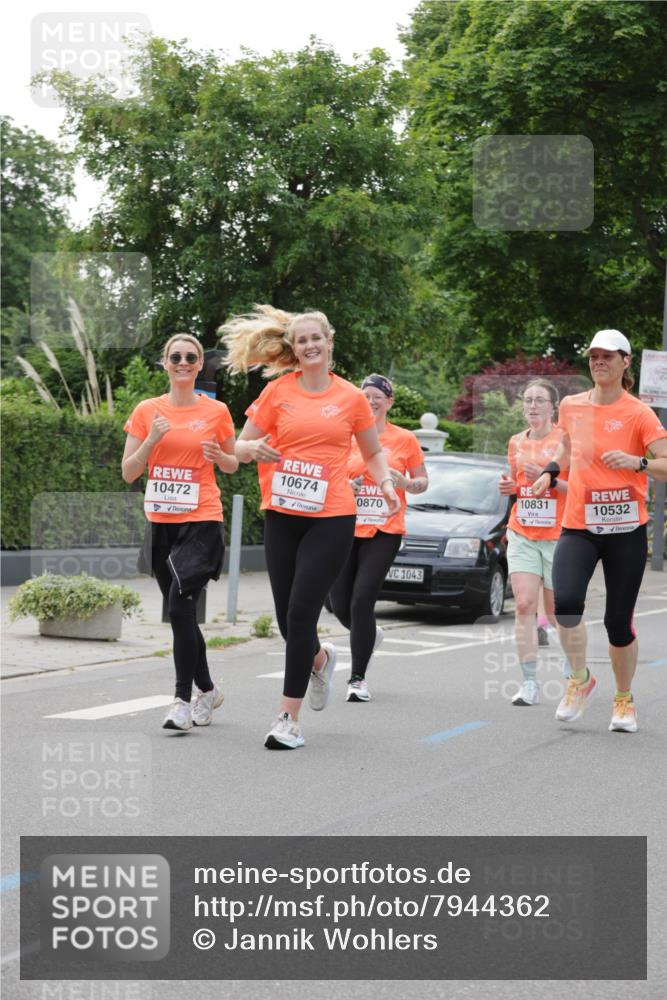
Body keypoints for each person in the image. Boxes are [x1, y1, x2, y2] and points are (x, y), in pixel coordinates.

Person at [220, 305, 400, 749]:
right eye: (301, 340)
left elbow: (373, 452)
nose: (309, 345)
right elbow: (240, 445)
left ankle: (288, 718)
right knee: (287, 622)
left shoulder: (351, 399)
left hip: (332, 517)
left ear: (329, 342)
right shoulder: (279, 392)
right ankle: (319, 659)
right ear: (294, 349)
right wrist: (252, 449)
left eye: (315, 338)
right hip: (283, 514)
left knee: (302, 613)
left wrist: (387, 483)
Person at [532, 330, 667, 732]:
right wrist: (550, 471)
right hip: (580, 526)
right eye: (593, 356)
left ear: (626, 362)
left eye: (608, 356)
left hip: (625, 528)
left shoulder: (639, 413)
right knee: (567, 605)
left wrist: (636, 462)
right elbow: (569, 447)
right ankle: (580, 680)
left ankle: (623, 699)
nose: (598, 362)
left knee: (617, 622)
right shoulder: (572, 406)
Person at [122, 334, 238, 731]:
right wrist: (152, 439)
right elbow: (129, 471)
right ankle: (208, 688)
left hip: (202, 518)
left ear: (200, 362)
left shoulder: (218, 411)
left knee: (178, 607)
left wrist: (222, 456)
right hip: (161, 522)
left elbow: (232, 464)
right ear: (165, 363)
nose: (183, 362)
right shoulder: (147, 411)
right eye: (176, 357)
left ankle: (181, 701)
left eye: (191, 357)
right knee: (182, 615)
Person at [328, 373, 427, 702]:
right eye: (365, 395)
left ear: (389, 402)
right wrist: (347, 485)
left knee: (362, 599)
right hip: (344, 525)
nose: (371, 401)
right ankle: (370, 633)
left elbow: (422, 481)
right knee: (339, 604)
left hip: (385, 528)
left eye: (377, 397)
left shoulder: (404, 439)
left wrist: (406, 483)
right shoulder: (344, 437)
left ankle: (357, 678)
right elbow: (329, 475)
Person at [499, 379, 568, 707]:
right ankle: (529, 683)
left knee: (558, 614)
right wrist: (509, 486)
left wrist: (546, 474)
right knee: (525, 605)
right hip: (523, 531)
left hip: (558, 537)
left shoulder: (564, 441)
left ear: (553, 407)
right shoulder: (515, 442)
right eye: (528, 400)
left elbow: (577, 488)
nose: (532, 406)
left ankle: (573, 669)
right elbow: (517, 487)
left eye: (540, 400)